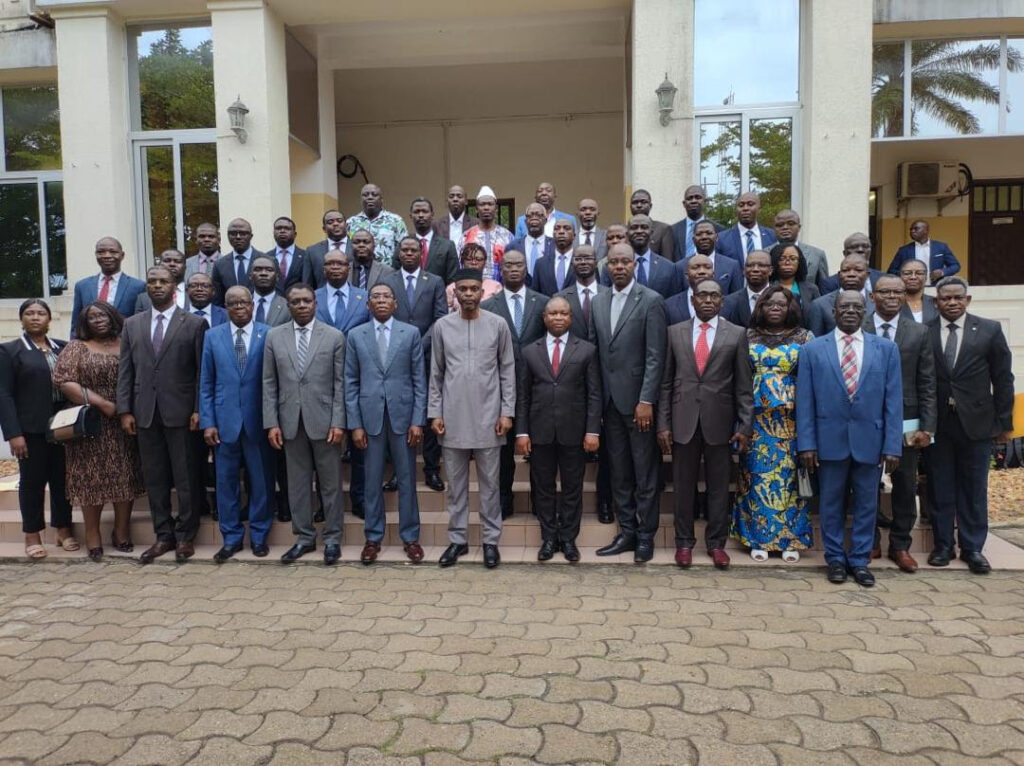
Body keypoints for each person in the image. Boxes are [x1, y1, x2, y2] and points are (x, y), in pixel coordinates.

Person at [797, 291, 903, 587]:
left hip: (871, 440)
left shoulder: (885, 349)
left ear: (866, 310)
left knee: (867, 504)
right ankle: (834, 559)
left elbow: (893, 401)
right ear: (834, 310)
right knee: (831, 503)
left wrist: (893, 445)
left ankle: (859, 560)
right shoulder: (813, 350)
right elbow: (805, 401)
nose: (851, 311)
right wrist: (807, 443)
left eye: (858, 306)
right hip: (829, 440)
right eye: (845, 306)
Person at [658, 279, 752, 570]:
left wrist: (745, 424)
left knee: (719, 488)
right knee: (683, 487)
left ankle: (716, 544)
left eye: (714, 295)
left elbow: (743, 385)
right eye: (702, 295)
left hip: (721, 423)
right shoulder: (674, 333)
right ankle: (684, 543)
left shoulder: (736, 334)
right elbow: (665, 383)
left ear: (722, 301)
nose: (708, 300)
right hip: (683, 421)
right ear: (693, 300)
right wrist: (663, 424)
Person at [117, 265, 208, 564]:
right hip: (144, 412)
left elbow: (200, 374)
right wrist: (125, 409)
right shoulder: (132, 324)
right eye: (152, 281)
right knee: (154, 477)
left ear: (174, 287)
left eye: (163, 281)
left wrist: (198, 408)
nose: (157, 286)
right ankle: (163, 535)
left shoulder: (194, 324)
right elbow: (126, 371)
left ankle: (185, 536)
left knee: (186, 476)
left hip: (182, 412)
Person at [430, 268, 516, 568]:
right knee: (456, 486)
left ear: (482, 292)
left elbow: (507, 370)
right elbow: (436, 373)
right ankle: (458, 541)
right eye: (462, 289)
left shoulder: (498, 325)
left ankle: (491, 541)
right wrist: (435, 412)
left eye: (473, 289)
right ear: (455, 293)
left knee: (491, 486)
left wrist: (507, 412)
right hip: (452, 418)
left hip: (489, 419)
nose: (468, 294)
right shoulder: (442, 326)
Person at [927, 277, 1014, 573]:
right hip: (938, 423)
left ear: (967, 300)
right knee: (940, 486)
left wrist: (1005, 423)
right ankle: (942, 546)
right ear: (936, 301)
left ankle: (973, 547)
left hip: (977, 422)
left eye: (957, 298)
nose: (952, 302)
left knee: (974, 487)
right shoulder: (923, 331)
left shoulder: (989, 330)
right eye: (945, 298)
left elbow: (1003, 378)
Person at [591, 243, 667, 563]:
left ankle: (646, 536)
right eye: (614, 262)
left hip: (638, 405)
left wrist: (646, 400)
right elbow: (598, 355)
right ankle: (626, 532)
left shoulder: (650, 300)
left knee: (644, 472)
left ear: (635, 264)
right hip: (609, 402)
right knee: (619, 473)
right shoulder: (598, 301)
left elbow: (655, 356)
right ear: (606, 266)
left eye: (625, 262)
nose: (619, 267)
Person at [263, 284, 347, 565]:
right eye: (296, 301)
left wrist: (339, 421)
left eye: (307, 301)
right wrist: (271, 423)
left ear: (315, 303)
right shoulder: (274, 337)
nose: (302, 306)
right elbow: (269, 383)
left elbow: (340, 384)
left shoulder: (334, 337)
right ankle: (304, 537)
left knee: (330, 484)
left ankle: (333, 538)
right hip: (289, 422)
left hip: (325, 422)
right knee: (297, 484)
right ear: (288, 305)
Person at [54, 302, 143, 561]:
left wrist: (122, 408)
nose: (98, 319)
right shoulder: (76, 347)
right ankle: (93, 535)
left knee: (125, 476)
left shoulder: (126, 342)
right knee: (90, 481)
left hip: (124, 421)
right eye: (92, 317)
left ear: (113, 316)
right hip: (89, 424)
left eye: (103, 314)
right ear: (85, 322)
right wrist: (103, 403)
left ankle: (121, 532)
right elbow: (63, 380)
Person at [345, 284, 427, 564]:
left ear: (395, 304)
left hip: (404, 418)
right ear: (368, 305)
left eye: (386, 296)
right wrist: (354, 424)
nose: (381, 300)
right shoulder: (356, 336)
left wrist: (418, 420)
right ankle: (373, 537)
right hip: (369, 419)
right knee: (371, 481)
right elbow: (350, 382)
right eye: (375, 297)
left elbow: (419, 381)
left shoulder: (411, 333)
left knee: (406, 480)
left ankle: (410, 537)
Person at [730, 286, 813, 562]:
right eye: (770, 304)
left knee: (790, 481)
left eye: (782, 304)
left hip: (791, 421)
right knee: (755, 479)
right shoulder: (747, 336)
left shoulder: (805, 337)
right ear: (761, 308)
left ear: (791, 308)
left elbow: (811, 379)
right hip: (755, 421)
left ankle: (790, 540)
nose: (775, 308)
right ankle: (757, 539)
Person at [516, 296, 601, 562]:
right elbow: (523, 395)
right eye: (553, 314)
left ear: (571, 318)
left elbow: (594, 394)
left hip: (574, 432)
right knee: (543, 487)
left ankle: (568, 539)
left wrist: (592, 431)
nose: (558, 318)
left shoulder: (586, 350)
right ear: (544, 318)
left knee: (573, 487)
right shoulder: (530, 351)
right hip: (540, 432)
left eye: (563, 313)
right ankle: (549, 538)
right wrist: (522, 432)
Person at [865, 275, 937, 572]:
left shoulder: (919, 333)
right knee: (865, 483)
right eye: (885, 292)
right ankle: (869, 542)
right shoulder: (858, 325)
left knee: (905, 484)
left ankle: (900, 545)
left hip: (907, 418)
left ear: (905, 296)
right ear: (873, 296)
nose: (892, 296)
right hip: (865, 418)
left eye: (897, 292)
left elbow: (927, 381)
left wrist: (928, 427)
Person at [199, 286, 274, 561]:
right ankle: (231, 538)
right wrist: (208, 422)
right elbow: (206, 383)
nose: (239, 306)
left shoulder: (268, 334)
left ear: (252, 305)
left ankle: (259, 536)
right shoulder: (212, 336)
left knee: (261, 482)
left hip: (258, 422)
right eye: (232, 303)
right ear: (226, 307)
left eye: (244, 302)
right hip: (224, 422)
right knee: (226, 483)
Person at [0, 299, 75, 559]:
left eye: (40, 313)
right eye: (29, 313)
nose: (35, 317)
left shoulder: (62, 348)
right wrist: (13, 433)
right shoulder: (9, 351)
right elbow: (4, 394)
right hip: (30, 430)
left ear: (49, 319)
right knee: (32, 483)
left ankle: (63, 530)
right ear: (22, 319)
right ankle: (32, 534)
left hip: (63, 427)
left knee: (62, 480)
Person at [482, 250, 546, 519]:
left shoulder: (543, 303)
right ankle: (504, 503)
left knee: (540, 453)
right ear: (501, 269)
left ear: (526, 268)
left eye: (519, 264)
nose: (514, 269)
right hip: (500, 389)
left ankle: (540, 504)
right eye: (508, 265)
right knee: (503, 452)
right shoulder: (488, 307)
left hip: (538, 388)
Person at [384, 236, 448, 491]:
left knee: (430, 410)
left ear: (421, 253)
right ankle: (400, 472)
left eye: (414, 250)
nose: (409, 253)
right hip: (395, 356)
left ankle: (431, 469)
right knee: (399, 413)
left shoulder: (434, 281)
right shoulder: (387, 282)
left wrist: (418, 344)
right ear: (399, 253)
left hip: (428, 353)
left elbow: (440, 318)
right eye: (405, 250)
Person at [555, 246, 613, 522]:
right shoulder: (559, 298)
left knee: (611, 445)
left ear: (597, 262)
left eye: (588, 257)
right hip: (573, 379)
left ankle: (605, 502)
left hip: (610, 376)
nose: (583, 262)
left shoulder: (610, 294)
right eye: (578, 258)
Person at [184, 271, 226, 520]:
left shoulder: (225, 313)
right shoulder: (180, 318)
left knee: (223, 461)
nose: (200, 289)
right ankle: (199, 504)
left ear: (213, 291)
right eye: (194, 285)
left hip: (222, 399)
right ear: (187, 291)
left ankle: (221, 506)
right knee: (194, 459)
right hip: (189, 397)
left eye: (205, 286)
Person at [70, 237, 146, 333]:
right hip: (91, 344)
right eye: (101, 252)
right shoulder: (82, 286)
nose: (107, 256)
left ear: (122, 255)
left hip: (124, 343)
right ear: (96, 255)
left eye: (113, 252)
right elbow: (76, 323)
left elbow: (142, 322)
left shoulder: (138, 286)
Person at [602, 215, 680, 299]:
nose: (639, 231)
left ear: (651, 232)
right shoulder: (612, 267)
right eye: (634, 227)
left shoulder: (668, 267)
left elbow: (672, 301)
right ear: (627, 234)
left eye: (644, 227)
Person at [806, 255, 873, 338]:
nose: (851, 274)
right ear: (839, 275)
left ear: (867, 275)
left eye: (858, 270)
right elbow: (815, 341)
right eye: (846, 270)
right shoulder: (820, 305)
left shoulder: (877, 302)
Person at [674, 220, 743, 295]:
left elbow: (736, 298)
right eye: (699, 234)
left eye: (709, 233)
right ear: (693, 240)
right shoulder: (680, 267)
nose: (704, 237)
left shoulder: (732, 266)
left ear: (716, 237)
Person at [347, 183, 408, 267]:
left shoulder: (396, 221)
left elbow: (404, 248)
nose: (370, 197)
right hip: (359, 273)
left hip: (388, 274)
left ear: (381, 200)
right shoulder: (351, 222)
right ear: (361, 200)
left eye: (374, 195)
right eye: (365, 195)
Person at [463, 185, 514, 281]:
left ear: (496, 209)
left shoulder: (507, 236)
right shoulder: (466, 236)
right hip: (472, 289)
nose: (486, 207)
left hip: (501, 290)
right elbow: (461, 265)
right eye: (482, 204)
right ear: (476, 209)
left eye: (490, 204)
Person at [315, 250, 370, 334]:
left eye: (340, 263)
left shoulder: (365, 297)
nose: (335, 267)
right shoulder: (312, 298)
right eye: (330, 263)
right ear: (324, 270)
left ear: (348, 269)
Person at [716, 192, 778, 267]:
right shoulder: (722, 238)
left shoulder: (772, 236)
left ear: (759, 209)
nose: (745, 208)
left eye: (750, 204)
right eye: (741, 205)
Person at [888, 219, 961, 283]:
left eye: (916, 229)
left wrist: (942, 272)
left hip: (934, 287)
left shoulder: (941, 247)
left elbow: (955, 266)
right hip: (911, 288)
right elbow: (891, 271)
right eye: (911, 229)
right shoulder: (904, 250)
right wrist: (906, 274)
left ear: (926, 230)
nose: (912, 231)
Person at [407, 197, 459, 284]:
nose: (420, 215)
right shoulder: (403, 245)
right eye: (416, 212)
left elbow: (453, 279)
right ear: (411, 216)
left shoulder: (447, 246)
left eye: (425, 211)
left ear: (432, 215)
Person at [773, 209, 829, 290]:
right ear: (774, 229)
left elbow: (824, 290)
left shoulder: (817, 254)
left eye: (791, 223)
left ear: (799, 227)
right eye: (780, 225)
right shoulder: (764, 254)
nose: (785, 227)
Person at [212, 218, 263, 302]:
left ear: (251, 236)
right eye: (233, 233)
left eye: (243, 233)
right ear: (228, 236)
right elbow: (217, 299)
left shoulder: (267, 261)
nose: (238, 237)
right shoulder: (219, 265)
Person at [769, 243, 821, 326]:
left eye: (793, 259)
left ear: (799, 262)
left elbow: (817, 318)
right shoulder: (767, 287)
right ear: (775, 261)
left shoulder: (811, 289)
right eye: (782, 259)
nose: (787, 262)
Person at [670, 184, 725, 259]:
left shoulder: (720, 230)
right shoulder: (672, 230)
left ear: (705, 202)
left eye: (698, 197)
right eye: (689, 198)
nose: (693, 201)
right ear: (684, 204)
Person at [819, 233, 885, 294]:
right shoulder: (830, 283)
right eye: (854, 247)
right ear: (845, 253)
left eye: (865, 246)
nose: (860, 250)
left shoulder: (883, 278)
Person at [721, 250, 772, 327]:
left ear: (770, 270)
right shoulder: (729, 302)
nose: (755, 269)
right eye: (750, 265)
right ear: (744, 271)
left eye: (761, 265)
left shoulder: (784, 298)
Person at [445, 243, 502, 312]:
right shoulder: (452, 287)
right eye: (469, 259)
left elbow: (500, 311)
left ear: (485, 263)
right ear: (462, 262)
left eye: (478, 259)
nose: (474, 262)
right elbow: (447, 313)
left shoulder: (495, 286)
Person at [508, 202, 555, 284]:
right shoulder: (513, 246)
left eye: (538, 215)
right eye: (530, 215)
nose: (534, 218)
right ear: (525, 221)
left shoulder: (555, 245)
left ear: (545, 220)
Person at [664, 253, 713, 325]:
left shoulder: (727, 305)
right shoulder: (669, 306)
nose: (702, 271)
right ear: (686, 275)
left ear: (713, 275)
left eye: (707, 267)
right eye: (696, 267)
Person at [306, 209, 350, 288]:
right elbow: (307, 283)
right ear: (324, 229)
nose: (335, 224)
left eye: (339, 221)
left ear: (346, 226)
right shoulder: (312, 251)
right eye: (330, 222)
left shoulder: (357, 248)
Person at [532, 218, 576, 296]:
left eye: (567, 228)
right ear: (553, 235)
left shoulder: (582, 262)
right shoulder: (541, 264)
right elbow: (536, 295)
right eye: (557, 228)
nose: (561, 232)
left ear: (574, 235)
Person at [267, 216, 312, 292]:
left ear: (295, 234)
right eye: (278, 228)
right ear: (273, 233)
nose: (282, 231)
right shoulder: (266, 257)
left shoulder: (306, 256)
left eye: (287, 228)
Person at [629, 189, 675, 261]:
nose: (639, 205)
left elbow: (667, 260)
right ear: (630, 206)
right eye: (635, 202)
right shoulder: (625, 229)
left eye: (643, 202)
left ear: (650, 206)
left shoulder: (663, 229)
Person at [432, 185, 479, 250]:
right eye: (451, 196)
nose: (455, 199)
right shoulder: (437, 225)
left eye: (459, 196)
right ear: (447, 201)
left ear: (466, 201)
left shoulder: (476, 223)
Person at [250, 255, 291, 327]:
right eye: (258, 269)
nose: (263, 273)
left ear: (277, 277)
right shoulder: (241, 305)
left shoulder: (288, 307)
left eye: (269, 270)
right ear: (250, 276)